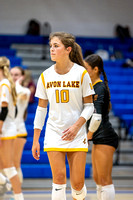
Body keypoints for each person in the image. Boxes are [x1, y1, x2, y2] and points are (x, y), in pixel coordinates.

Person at [32, 32, 95, 200]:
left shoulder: (81, 73)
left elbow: (89, 107)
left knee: (77, 185)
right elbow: (41, 110)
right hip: (54, 132)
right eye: (51, 46)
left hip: (76, 133)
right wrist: (36, 139)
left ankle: (79, 194)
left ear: (68, 49)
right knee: (58, 180)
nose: (51, 49)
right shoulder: (45, 75)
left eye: (56, 46)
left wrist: (76, 127)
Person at [84, 54, 119, 200]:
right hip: (99, 137)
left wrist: (88, 136)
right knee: (97, 177)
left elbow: (97, 116)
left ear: (95, 69)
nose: (84, 72)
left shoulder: (99, 87)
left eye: (86, 69)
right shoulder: (93, 87)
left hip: (105, 136)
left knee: (104, 179)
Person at [0, 57, 24, 200]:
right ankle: (5, 183)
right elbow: (12, 111)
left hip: (5, 131)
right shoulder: (5, 84)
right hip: (7, 129)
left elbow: (3, 110)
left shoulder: (4, 84)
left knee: (9, 167)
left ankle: (18, 196)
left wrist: (1, 127)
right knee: (5, 166)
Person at [10, 66, 31, 184]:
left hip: (19, 131)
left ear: (22, 77)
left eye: (16, 75)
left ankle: (16, 194)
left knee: (15, 164)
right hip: (5, 131)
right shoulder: (4, 89)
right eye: (11, 74)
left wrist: (17, 83)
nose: (13, 77)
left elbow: (17, 93)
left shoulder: (25, 91)